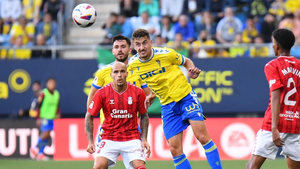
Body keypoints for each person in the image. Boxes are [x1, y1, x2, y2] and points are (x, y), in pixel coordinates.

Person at [128, 29, 222, 169]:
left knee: (201, 136)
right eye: (138, 44)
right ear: (134, 46)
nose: (141, 47)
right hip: (167, 105)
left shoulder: (166, 54)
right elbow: (141, 85)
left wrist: (192, 70)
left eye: (144, 43)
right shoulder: (133, 65)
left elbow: (186, 61)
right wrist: (150, 94)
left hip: (185, 97)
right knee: (174, 149)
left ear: (151, 43)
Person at [87, 34, 155, 169]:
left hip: (131, 130)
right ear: (112, 51)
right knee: (100, 166)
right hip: (107, 131)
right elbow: (91, 101)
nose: (120, 50)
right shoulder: (103, 72)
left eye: (123, 47)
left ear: (130, 49)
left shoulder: (138, 71)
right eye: (116, 47)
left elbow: (149, 96)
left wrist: (138, 103)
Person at [247, 29, 300, 169]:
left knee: (251, 167)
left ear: (276, 46)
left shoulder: (272, 65)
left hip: (274, 123)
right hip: (295, 123)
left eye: (273, 42)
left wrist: (274, 127)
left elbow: (276, 96)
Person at [30, 77, 61, 160]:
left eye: (53, 83)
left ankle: (40, 154)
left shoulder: (57, 93)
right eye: (50, 83)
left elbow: (57, 105)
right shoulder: (43, 93)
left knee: (47, 136)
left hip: (52, 118)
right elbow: (38, 105)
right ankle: (34, 148)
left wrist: (58, 113)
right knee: (45, 133)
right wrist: (38, 118)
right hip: (44, 117)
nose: (52, 85)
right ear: (47, 84)